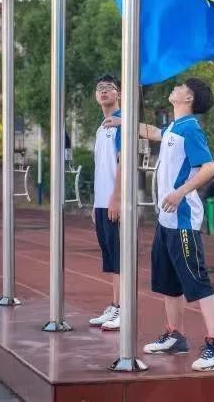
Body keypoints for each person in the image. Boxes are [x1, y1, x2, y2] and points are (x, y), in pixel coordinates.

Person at [102, 77, 214, 371]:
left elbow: (209, 167)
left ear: (189, 98)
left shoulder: (191, 130)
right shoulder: (174, 128)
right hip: (167, 221)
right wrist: (122, 122)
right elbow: (153, 132)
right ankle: (175, 335)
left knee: (197, 282)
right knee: (169, 283)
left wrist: (180, 192)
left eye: (181, 87)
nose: (175, 88)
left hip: (183, 220)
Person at [88, 75, 123, 331]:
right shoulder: (102, 127)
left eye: (109, 88)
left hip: (115, 201)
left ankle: (123, 309)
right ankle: (114, 305)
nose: (103, 92)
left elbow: (123, 163)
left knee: (120, 257)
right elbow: (101, 167)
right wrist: (96, 202)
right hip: (102, 202)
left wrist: (117, 198)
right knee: (110, 258)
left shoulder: (121, 124)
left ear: (118, 93)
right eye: (99, 88)